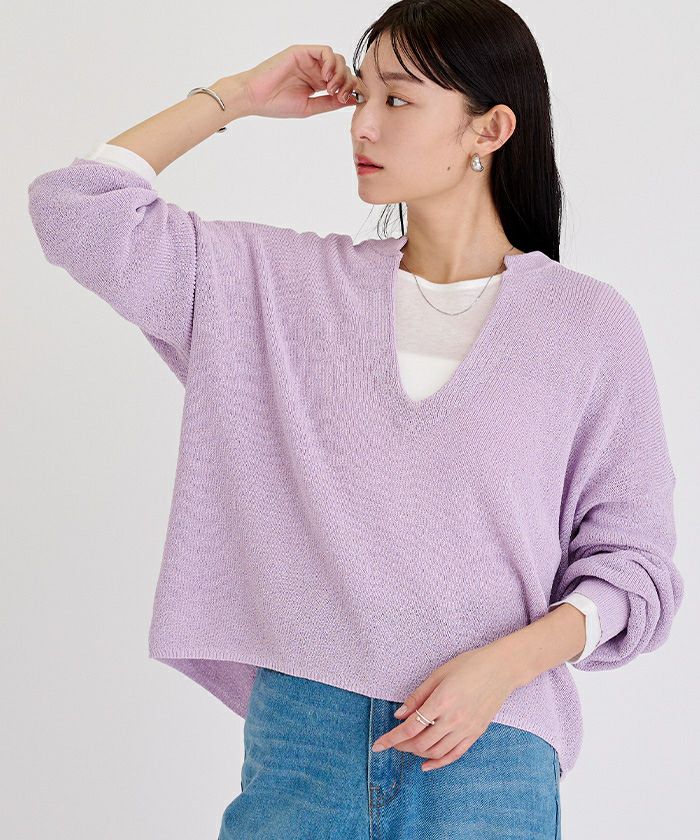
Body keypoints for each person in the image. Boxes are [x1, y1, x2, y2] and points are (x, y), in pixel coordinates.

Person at [27, 1, 683, 838]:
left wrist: (501, 669)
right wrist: (237, 94)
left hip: (491, 751)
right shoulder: (279, 287)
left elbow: (634, 568)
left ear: (489, 129)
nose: (362, 124)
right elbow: (80, 208)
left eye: (398, 100)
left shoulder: (585, 326)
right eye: (362, 95)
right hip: (305, 741)